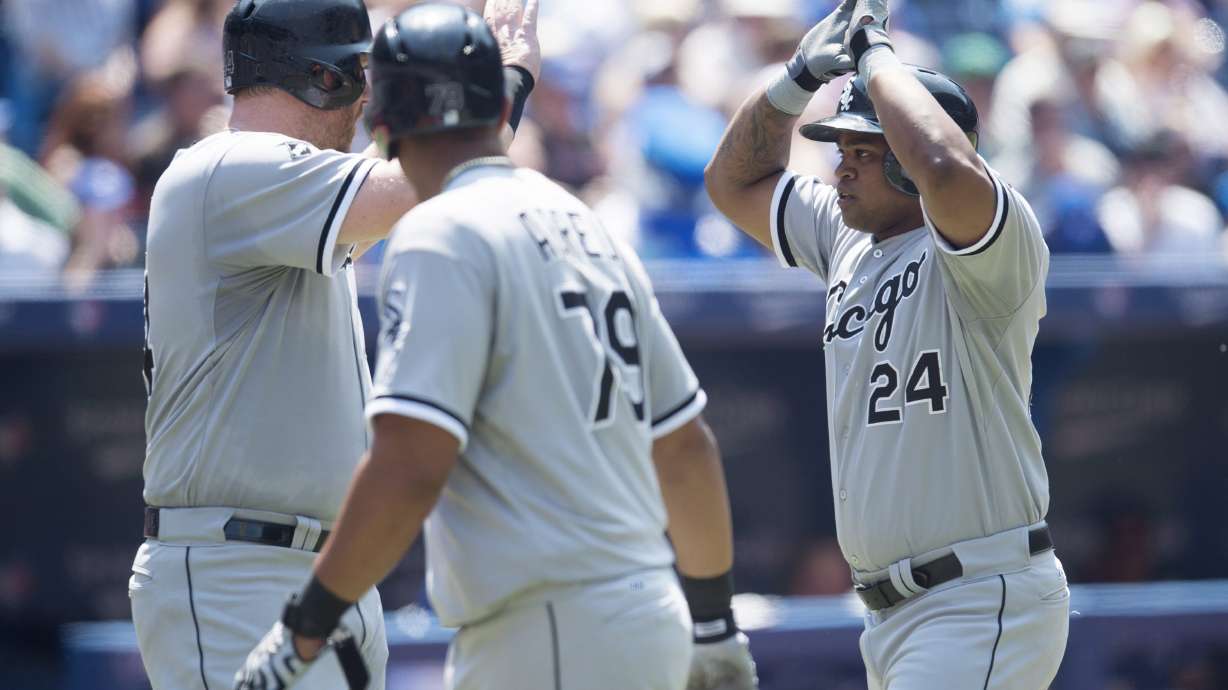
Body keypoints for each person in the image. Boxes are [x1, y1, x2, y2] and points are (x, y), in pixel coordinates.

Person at [233, 4, 756, 690]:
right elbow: (686, 447)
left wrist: (306, 626)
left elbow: (409, 463)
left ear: (384, 120)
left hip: (548, 628)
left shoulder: (442, 229)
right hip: (651, 613)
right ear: (496, 107)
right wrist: (714, 624)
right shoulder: (587, 222)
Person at [128, 0, 540, 687]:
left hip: (310, 571)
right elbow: (429, 181)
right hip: (238, 571)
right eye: (360, 76)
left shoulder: (278, 190)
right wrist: (508, 84)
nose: (369, 101)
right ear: (325, 78)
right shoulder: (230, 166)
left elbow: (414, 178)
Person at [704, 1, 1069, 688]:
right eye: (841, 151)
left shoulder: (995, 240)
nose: (840, 168)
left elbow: (944, 164)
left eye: (864, 153)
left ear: (905, 165)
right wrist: (796, 79)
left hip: (976, 596)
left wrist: (877, 58)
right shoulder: (846, 238)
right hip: (893, 613)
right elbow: (734, 181)